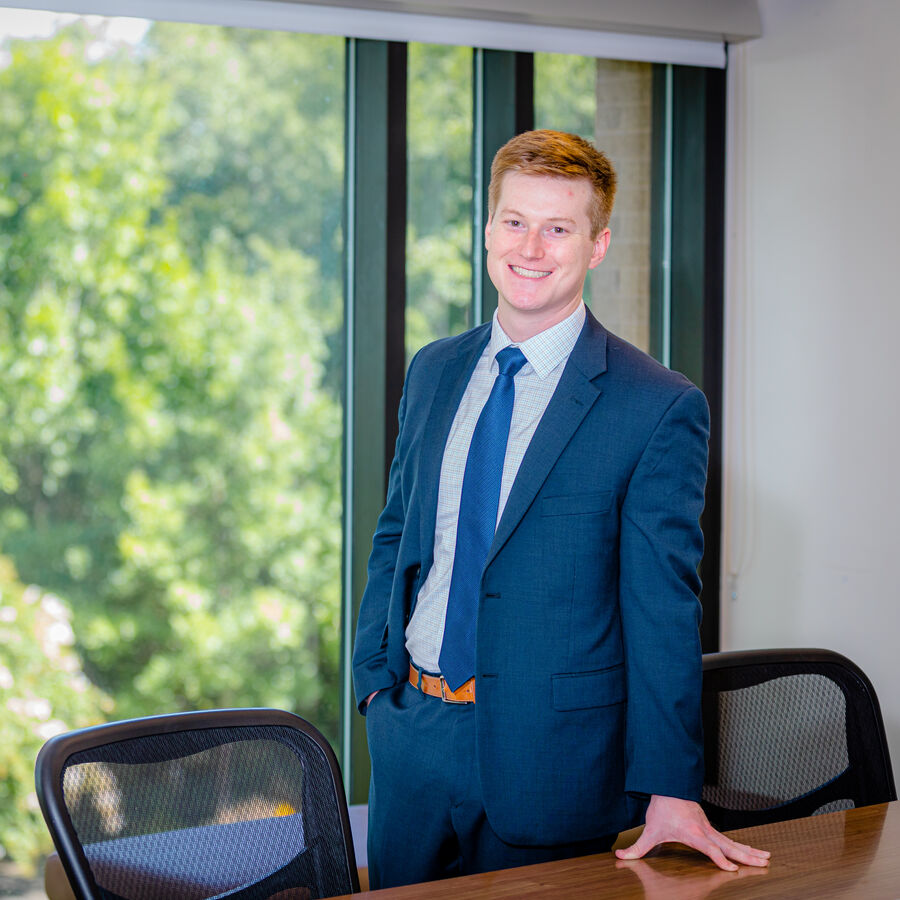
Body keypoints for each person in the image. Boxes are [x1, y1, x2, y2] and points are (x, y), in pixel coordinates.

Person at [352, 129, 769, 889]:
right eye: (515, 222)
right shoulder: (436, 368)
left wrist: (672, 786)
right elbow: (397, 535)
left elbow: (662, 610)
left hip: (552, 760)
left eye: (558, 228)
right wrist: (374, 685)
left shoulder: (657, 405)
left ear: (597, 244)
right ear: (487, 231)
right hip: (412, 736)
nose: (531, 247)